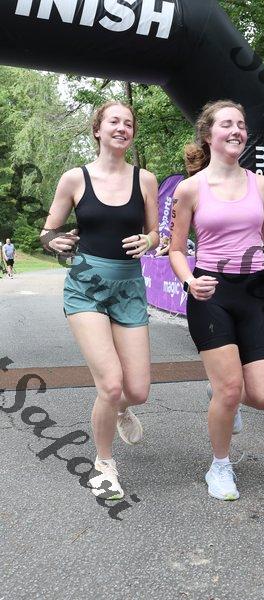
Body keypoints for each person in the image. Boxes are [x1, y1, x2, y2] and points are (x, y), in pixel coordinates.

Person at [169, 99, 264, 501]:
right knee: (228, 388)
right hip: (211, 292)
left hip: (254, 292)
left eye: (241, 124)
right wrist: (190, 281)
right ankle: (220, 466)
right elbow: (176, 249)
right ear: (208, 134)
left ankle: (225, 393)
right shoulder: (190, 189)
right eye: (227, 124)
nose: (237, 130)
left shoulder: (262, 185)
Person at [40, 101, 159, 500]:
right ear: (98, 129)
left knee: (137, 390)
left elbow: (156, 233)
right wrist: (54, 241)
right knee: (110, 384)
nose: (122, 127)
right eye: (114, 121)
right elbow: (48, 231)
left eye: (128, 123)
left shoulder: (145, 180)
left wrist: (148, 240)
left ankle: (122, 409)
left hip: (129, 287)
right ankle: (104, 464)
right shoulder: (75, 178)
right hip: (85, 285)